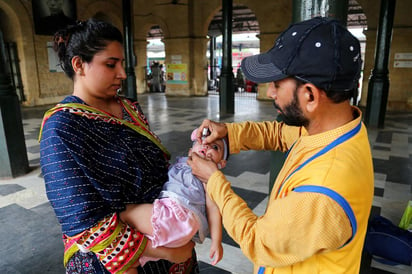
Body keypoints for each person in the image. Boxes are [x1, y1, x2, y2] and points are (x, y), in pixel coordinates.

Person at [187, 17, 374, 274]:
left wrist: (214, 180)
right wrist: (228, 133)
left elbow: (258, 241)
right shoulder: (336, 129)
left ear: (309, 94)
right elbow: (278, 133)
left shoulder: (322, 191)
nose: (271, 92)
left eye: (277, 84)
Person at [39, 19, 197, 274]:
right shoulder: (62, 126)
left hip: (167, 240)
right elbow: (80, 219)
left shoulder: (129, 108)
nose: (122, 73)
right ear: (79, 64)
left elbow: (155, 164)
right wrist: (166, 251)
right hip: (112, 262)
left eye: (122, 63)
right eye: (111, 64)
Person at [120, 129, 228, 273]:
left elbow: (213, 208)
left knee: (123, 213)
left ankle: (93, 237)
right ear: (190, 151)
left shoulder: (208, 176)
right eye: (201, 141)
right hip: (177, 227)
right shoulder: (183, 164)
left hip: (176, 216)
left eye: (215, 147)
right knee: (130, 261)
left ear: (221, 163)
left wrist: (216, 241)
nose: (207, 146)